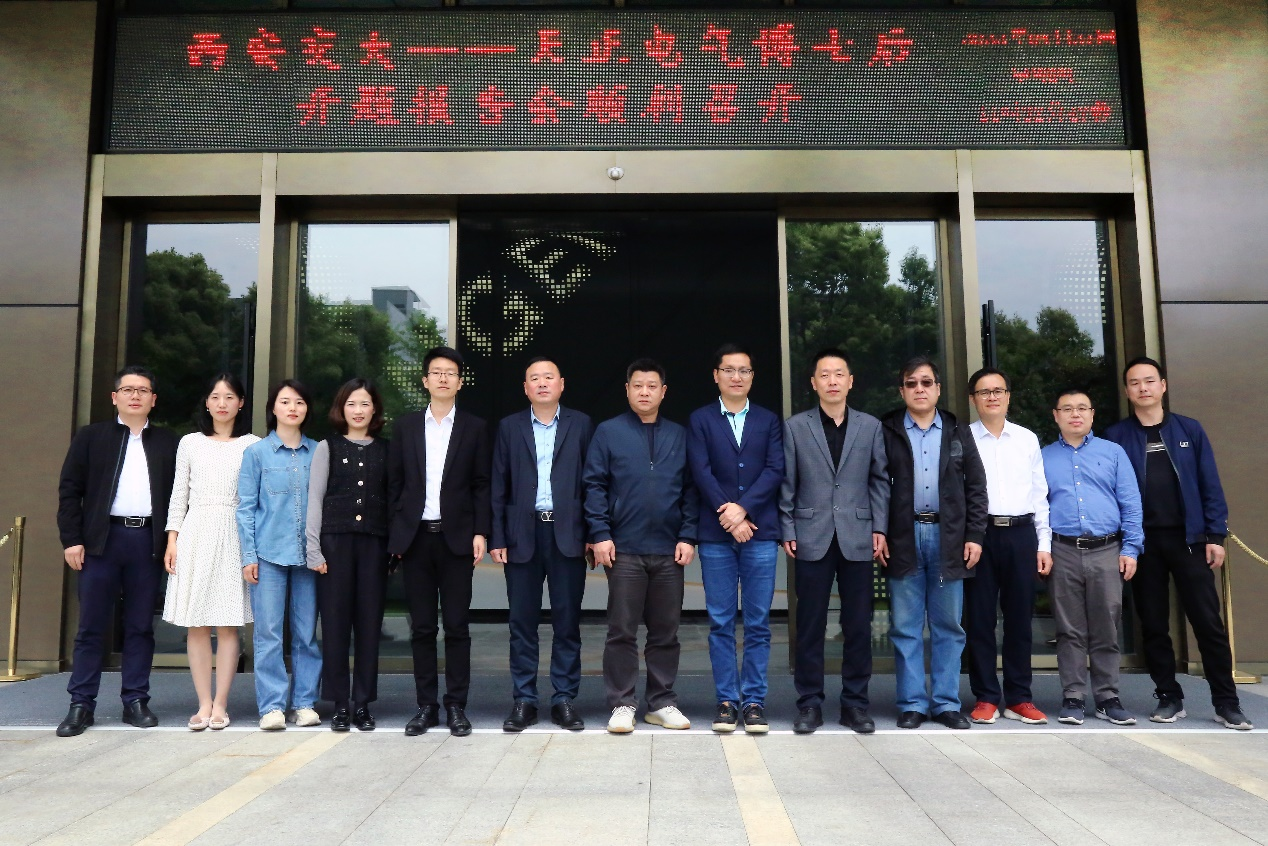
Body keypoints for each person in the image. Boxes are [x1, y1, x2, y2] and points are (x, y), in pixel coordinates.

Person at [1104, 357, 1251, 730]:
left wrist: (1215, 535)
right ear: (1127, 390)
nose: (1143, 388)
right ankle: (1169, 696)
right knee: (1153, 624)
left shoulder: (1189, 429)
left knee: (1207, 622)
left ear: (1163, 385)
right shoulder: (1116, 436)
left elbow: (1209, 484)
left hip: (1190, 540)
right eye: (1134, 382)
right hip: (1142, 544)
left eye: (1149, 381)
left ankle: (1226, 701)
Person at [56, 366, 178, 737]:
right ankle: (81, 703)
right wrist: (72, 539)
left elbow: (180, 496)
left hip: (147, 542)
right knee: (91, 626)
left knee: (140, 626)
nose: (135, 395)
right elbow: (70, 490)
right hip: (101, 540)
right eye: (127, 389)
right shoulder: (91, 437)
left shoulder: (169, 443)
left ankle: (135, 700)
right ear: (114, 397)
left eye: (143, 390)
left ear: (153, 399)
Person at [584, 358, 699, 734]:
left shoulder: (680, 435)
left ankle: (661, 702)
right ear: (627, 390)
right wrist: (600, 533)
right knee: (622, 630)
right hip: (623, 548)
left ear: (663, 392)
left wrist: (688, 535)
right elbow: (594, 484)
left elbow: (691, 490)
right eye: (638, 385)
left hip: (669, 548)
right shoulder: (608, 432)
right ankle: (622, 703)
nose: (644, 392)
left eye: (652, 386)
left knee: (666, 631)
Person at [778, 349, 888, 735]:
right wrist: (788, 528)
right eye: (824, 375)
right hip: (811, 535)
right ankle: (809, 703)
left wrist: (880, 527)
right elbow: (787, 483)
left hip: (858, 535)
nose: (832, 381)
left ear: (850, 381)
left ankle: (855, 704)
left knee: (858, 624)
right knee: (810, 624)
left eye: (839, 374)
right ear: (814, 383)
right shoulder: (795, 427)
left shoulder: (870, 426)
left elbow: (879, 480)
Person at [879, 356, 988, 730]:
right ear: (902, 391)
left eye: (926, 382)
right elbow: (876, 486)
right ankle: (912, 703)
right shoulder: (888, 430)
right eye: (911, 383)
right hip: (903, 537)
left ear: (938, 389)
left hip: (950, 538)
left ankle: (945, 703)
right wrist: (880, 532)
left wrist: (974, 536)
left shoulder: (958, 432)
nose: (920, 389)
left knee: (948, 627)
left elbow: (977, 488)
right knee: (905, 627)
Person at [388, 347, 491, 738]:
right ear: (425, 380)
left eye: (450, 372)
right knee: (422, 628)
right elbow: (395, 483)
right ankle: (426, 706)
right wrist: (398, 531)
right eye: (436, 372)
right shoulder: (406, 427)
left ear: (460, 382)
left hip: (456, 539)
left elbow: (481, 484)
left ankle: (456, 706)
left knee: (458, 626)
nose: (443, 378)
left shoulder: (475, 427)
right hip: (416, 539)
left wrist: (480, 531)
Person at [491, 357, 593, 732]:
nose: (542, 383)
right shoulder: (509, 426)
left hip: (568, 534)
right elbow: (499, 483)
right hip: (522, 533)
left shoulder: (581, 424)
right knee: (522, 623)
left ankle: (564, 699)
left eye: (549, 377)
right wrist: (498, 535)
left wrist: (593, 533)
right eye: (535, 378)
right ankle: (525, 700)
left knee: (567, 622)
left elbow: (592, 481)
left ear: (561, 384)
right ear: (526, 388)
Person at [688, 343, 785, 735]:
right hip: (716, 535)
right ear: (716, 375)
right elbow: (701, 471)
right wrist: (728, 515)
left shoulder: (768, 419)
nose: (736, 377)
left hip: (759, 533)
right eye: (728, 370)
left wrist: (743, 510)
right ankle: (727, 701)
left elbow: (775, 469)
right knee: (721, 622)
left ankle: (755, 702)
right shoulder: (700, 419)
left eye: (744, 370)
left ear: (752, 377)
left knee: (759, 623)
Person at [163, 372, 259, 732]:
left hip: (235, 533)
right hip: (196, 531)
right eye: (216, 397)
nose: (222, 403)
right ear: (206, 402)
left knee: (228, 622)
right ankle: (203, 703)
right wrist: (172, 539)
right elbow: (179, 495)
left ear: (241, 403)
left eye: (230, 397)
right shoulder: (190, 443)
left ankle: (221, 704)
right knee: (197, 622)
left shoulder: (253, 444)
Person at [1043, 388, 1143, 726]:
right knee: (1069, 629)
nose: (1075, 414)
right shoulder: (1042, 457)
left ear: (1092, 414)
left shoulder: (1112, 452)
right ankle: (1072, 696)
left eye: (1082, 408)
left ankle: (1107, 697)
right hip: (1062, 550)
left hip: (1107, 550)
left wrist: (1131, 548)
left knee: (1106, 627)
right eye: (1067, 408)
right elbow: (1037, 506)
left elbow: (1130, 502)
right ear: (1056, 415)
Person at [964, 368, 1052, 726]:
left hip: (1021, 534)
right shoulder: (963, 439)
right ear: (973, 399)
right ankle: (985, 696)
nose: (992, 397)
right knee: (979, 620)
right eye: (984, 392)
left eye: (998, 390)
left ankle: (1019, 697)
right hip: (979, 535)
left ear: (1008, 396)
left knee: (1019, 620)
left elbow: (1040, 494)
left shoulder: (1027, 439)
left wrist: (1043, 543)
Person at [307, 378, 391, 733]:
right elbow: (315, 498)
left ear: (375, 410)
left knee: (370, 625)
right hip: (334, 545)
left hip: (374, 545)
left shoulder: (387, 450)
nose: (358, 410)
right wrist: (313, 548)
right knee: (335, 624)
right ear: (341, 409)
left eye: (365, 404)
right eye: (351, 404)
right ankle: (340, 703)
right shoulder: (327, 447)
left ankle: (363, 703)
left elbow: (394, 499)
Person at [236, 379, 321, 731]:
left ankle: (304, 702)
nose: (292, 408)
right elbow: (245, 507)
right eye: (285, 401)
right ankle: (271, 706)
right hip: (268, 555)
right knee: (268, 633)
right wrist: (248, 555)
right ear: (273, 407)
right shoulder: (256, 453)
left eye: (299, 402)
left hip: (309, 557)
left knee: (306, 633)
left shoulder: (319, 452)